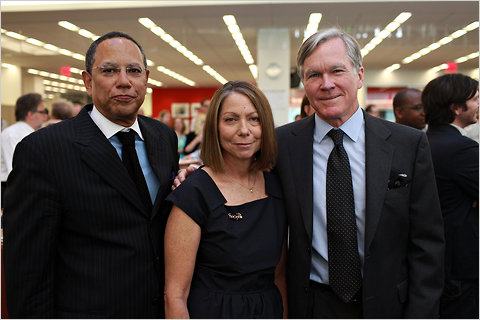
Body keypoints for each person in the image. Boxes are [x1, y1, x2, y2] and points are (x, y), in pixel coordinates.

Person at [3, 31, 179, 318]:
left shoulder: (163, 138)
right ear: (87, 81)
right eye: (109, 70)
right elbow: (27, 269)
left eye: (133, 71)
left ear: (145, 78)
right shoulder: (44, 150)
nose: (124, 81)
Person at [275, 28, 444, 318]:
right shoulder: (281, 145)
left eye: (337, 71)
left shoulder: (408, 144)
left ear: (360, 75)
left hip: (390, 305)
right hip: (313, 305)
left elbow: (427, 243)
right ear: (304, 83)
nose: (326, 84)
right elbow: (240, 180)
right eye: (314, 75)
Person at [164, 81, 287, 318]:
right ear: (215, 128)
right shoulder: (194, 192)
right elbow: (175, 294)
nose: (244, 130)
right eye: (231, 119)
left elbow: (279, 277)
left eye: (254, 119)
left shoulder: (275, 187)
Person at [422, 73, 479, 319]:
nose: (479, 104)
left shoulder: (423, 141)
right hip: (460, 265)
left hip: (433, 259)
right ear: (456, 107)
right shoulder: (461, 149)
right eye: (476, 99)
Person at [1, 93, 46, 206]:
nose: (45, 116)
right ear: (30, 114)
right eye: (42, 112)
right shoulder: (14, 134)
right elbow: (16, 170)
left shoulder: (29, 133)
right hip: (10, 189)